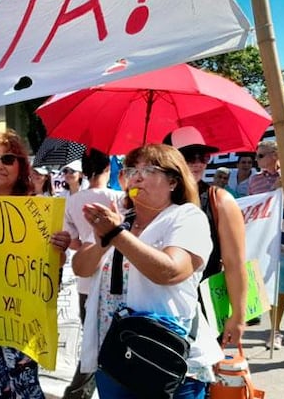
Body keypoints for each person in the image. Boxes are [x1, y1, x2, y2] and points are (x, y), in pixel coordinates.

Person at [73, 143, 222, 398]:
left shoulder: (186, 217)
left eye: (150, 169)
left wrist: (116, 235)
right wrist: (103, 238)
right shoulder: (120, 219)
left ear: (174, 182)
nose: (137, 176)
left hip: (163, 361)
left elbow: (171, 271)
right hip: (115, 358)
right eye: (131, 170)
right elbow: (81, 268)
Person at [0, 130, 70, 399]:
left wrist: (59, 247)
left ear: (21, 166)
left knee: (25, 387)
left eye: (8, 159)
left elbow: (55, 265)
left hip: (23, 315)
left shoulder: (37, 209)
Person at [165, 127, 247, 347]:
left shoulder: (220, 200)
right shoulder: (154, 200)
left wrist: (238, 317)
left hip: (203, 309)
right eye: (190, 156)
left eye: (204, 156)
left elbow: (235, 264)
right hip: (159, 309)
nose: (198, 163)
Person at [62, 149, 124, 399]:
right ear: (108, 168)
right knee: (110, 343)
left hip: (85, 278)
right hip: (116, 277)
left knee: (91, 341)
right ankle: (78, 393)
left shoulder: (73, 200)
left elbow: (73, 242)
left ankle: (80, 392)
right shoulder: (118, 198)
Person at [248, 140, 284, 343]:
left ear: (276, 155)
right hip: (271, 240)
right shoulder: (255, 180)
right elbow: (254, 207)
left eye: (261, 155)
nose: (257, 160)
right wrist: (274, 191)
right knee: (279, 287)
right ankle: (275, 330)